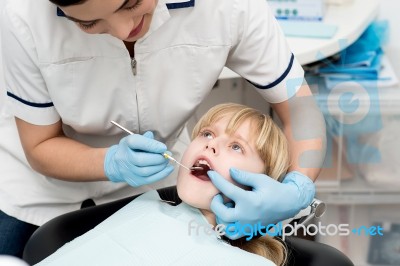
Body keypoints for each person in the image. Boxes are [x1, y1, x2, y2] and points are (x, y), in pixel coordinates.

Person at [0, 0, 326, 256]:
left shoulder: (229, 6)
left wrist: (296, 189)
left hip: (156, 191)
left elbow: (301, 110)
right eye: (88, 22)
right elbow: (41, 144)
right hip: (39, 193)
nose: (124, 30)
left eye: (130, 3)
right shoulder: (21, 15)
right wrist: (109, 162)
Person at [36, 103, 291, 266]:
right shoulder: (147, 205)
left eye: (236, 146)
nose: (210, 144)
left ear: (263, 186)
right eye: (207, 134)